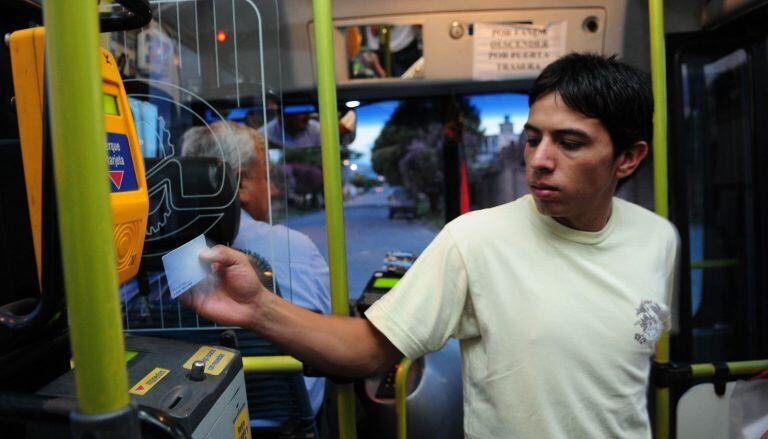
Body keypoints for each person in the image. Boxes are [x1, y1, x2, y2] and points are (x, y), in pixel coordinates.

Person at [183, 53, 679, 438]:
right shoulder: (475, 239)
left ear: (628, 159)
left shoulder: (659, 240)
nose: (540, 160)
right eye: (532, 139)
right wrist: (258, 308)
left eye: (569, 143)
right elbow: (367, 350)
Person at [180, 121, 332, 417]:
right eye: (267, 176)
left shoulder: (147, 261)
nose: (274, 189)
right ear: (241, 183)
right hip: (286, 425)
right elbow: (324, 361)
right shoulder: (295, 249)